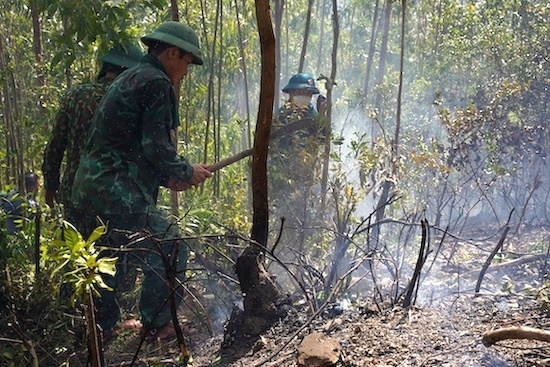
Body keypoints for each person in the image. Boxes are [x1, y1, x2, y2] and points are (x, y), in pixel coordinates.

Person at [70, 21, 212, 343]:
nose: (187, 72)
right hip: (115, 187)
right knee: (169, 246)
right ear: (172, 53)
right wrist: (186, 170)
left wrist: (169, 177)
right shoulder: (156, 82)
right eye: (187, 62)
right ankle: (160, 324)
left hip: (92, 184)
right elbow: (156, 147)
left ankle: (103, 328)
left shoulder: (132, 76)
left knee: (111, 253)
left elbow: (133, 146)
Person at [41, 43, 144, 218]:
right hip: (119, 200)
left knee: (76, 245)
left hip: (76, 194)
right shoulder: (134, 102)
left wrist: (50, 193)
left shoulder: (76, 96)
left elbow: (54, 149)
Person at [269, 73, 327, 252]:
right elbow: (273, 144)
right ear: (291, 93)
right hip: (282, 173)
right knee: (284, 213)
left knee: (304, 215)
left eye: (307, 93)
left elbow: (323, 138)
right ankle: (281, 248)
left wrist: (323, 115)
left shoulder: (313, 114)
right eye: (300, 92)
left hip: (306, 175)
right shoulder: (282, 115)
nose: (304, 96)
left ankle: (302, 251)